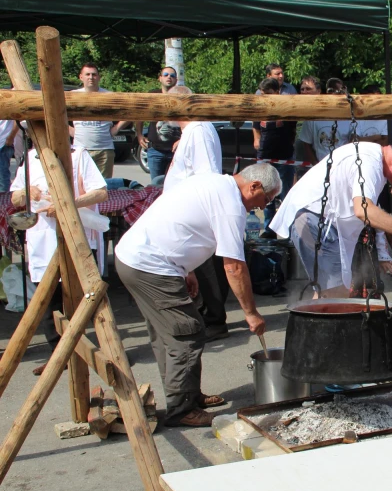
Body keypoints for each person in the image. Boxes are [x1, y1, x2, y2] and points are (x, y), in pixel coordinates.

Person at [115, 164, 282, 427]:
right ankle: (182, 409)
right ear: (254, 186)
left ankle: (187, 395)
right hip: (150, 265)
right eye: (266, 200)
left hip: (140, 259)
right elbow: (234, 266)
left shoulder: (213, 182)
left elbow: (185, 225)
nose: (261, 208)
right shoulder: (230, 204)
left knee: (168, 334)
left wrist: (187, 269)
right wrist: (250, 313)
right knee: (186, 333)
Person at [270, 139, 392, 298]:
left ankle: (316, 321)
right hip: (313, 220)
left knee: (327, 291)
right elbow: (364, 209)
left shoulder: (373, 158)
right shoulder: (369, 162)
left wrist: (383, 253)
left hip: (318, 221)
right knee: (336, 293)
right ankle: (324, 321)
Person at [10, 145, 108, 375]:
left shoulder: (77, 154)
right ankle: (58, 355)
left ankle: (102, 353)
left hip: (76, 236)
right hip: (42, 240)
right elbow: (15, 198)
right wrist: (27, 190)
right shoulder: (31, 158)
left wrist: (67, 204)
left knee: (88, 299)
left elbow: (101, 191)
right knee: (48, 302)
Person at [162, 85, 230, 345]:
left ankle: (215, 320)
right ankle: (210, 314)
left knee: (205, 269)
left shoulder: (199, 130)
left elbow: (205, 174)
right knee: (200, 268)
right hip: (187, 211)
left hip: (195, 212)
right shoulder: (192, 131)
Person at [69, 63, 129, 179]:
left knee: (104, 187)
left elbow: (130, 112)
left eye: (94, 74)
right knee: (81, 185)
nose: (91, 77)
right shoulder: (73, 95)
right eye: (87, 74)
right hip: (81, 149)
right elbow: (57, 115)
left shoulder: (109, 95)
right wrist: (69, 130)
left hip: (104, 150)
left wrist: (116, 129)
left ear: (99, 77)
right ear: (81, 77)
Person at [252, 78, 297, 225]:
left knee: (286, 195)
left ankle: (288, 229)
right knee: (265, 193)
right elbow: (256, 126)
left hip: (284, 155)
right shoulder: (260, 107)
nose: (265, 97)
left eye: (269, 94)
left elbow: (293, 130)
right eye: (263, 94)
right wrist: (256, 140)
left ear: (277, 92)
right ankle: (269, 228)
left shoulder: (286, 107)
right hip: (265, 155)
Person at [134, 66, 182, 183]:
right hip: (155, 151)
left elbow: (189, 121)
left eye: (172, 75)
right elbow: (139, 115)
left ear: (176, 80)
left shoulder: (181, 97)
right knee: (156, 185)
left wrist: (182, 140)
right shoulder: (152, 95)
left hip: (176, 151)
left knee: (175, 186)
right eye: (165, 75)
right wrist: (139, 135)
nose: (169, 77)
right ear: (160, 78)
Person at [298, 78, 357, 163]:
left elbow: (353, 140)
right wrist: (316, 166)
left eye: (340, 91)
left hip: (343, 164)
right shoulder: (314, 116)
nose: (337, 94)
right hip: (320, 164)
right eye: (332, 91)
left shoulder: (349, 115)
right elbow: (307, 144)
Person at [0, 119, 20, 192]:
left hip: (2, 143)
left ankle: (3, 202)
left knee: (2, 179)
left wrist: (11, 136)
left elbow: (18, 117)